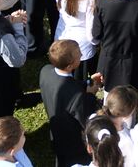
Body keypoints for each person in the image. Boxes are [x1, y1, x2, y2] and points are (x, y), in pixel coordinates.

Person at [41, 38, 102, 167]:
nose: (81, 54)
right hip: (73, 141)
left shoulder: (45, 71)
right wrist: (90, 94)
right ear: (70, 66)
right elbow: (85, 118)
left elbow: (69, 84)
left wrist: (87, 83)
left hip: (56, 130)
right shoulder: (78, 96)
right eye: (78, 53)